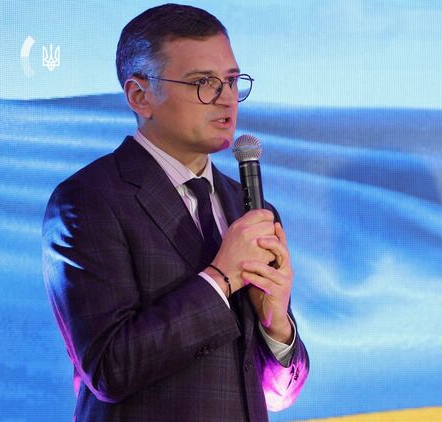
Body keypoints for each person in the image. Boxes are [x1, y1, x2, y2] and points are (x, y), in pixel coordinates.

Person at [42, 4, 308, 421]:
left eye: (231, 81)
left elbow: (278, 393)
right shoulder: (87, 200)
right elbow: (109, 368)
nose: (226, 98)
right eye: (203, 82)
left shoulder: (250, 208)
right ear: (140, 96)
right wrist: (220, 279)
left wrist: (277, 326)